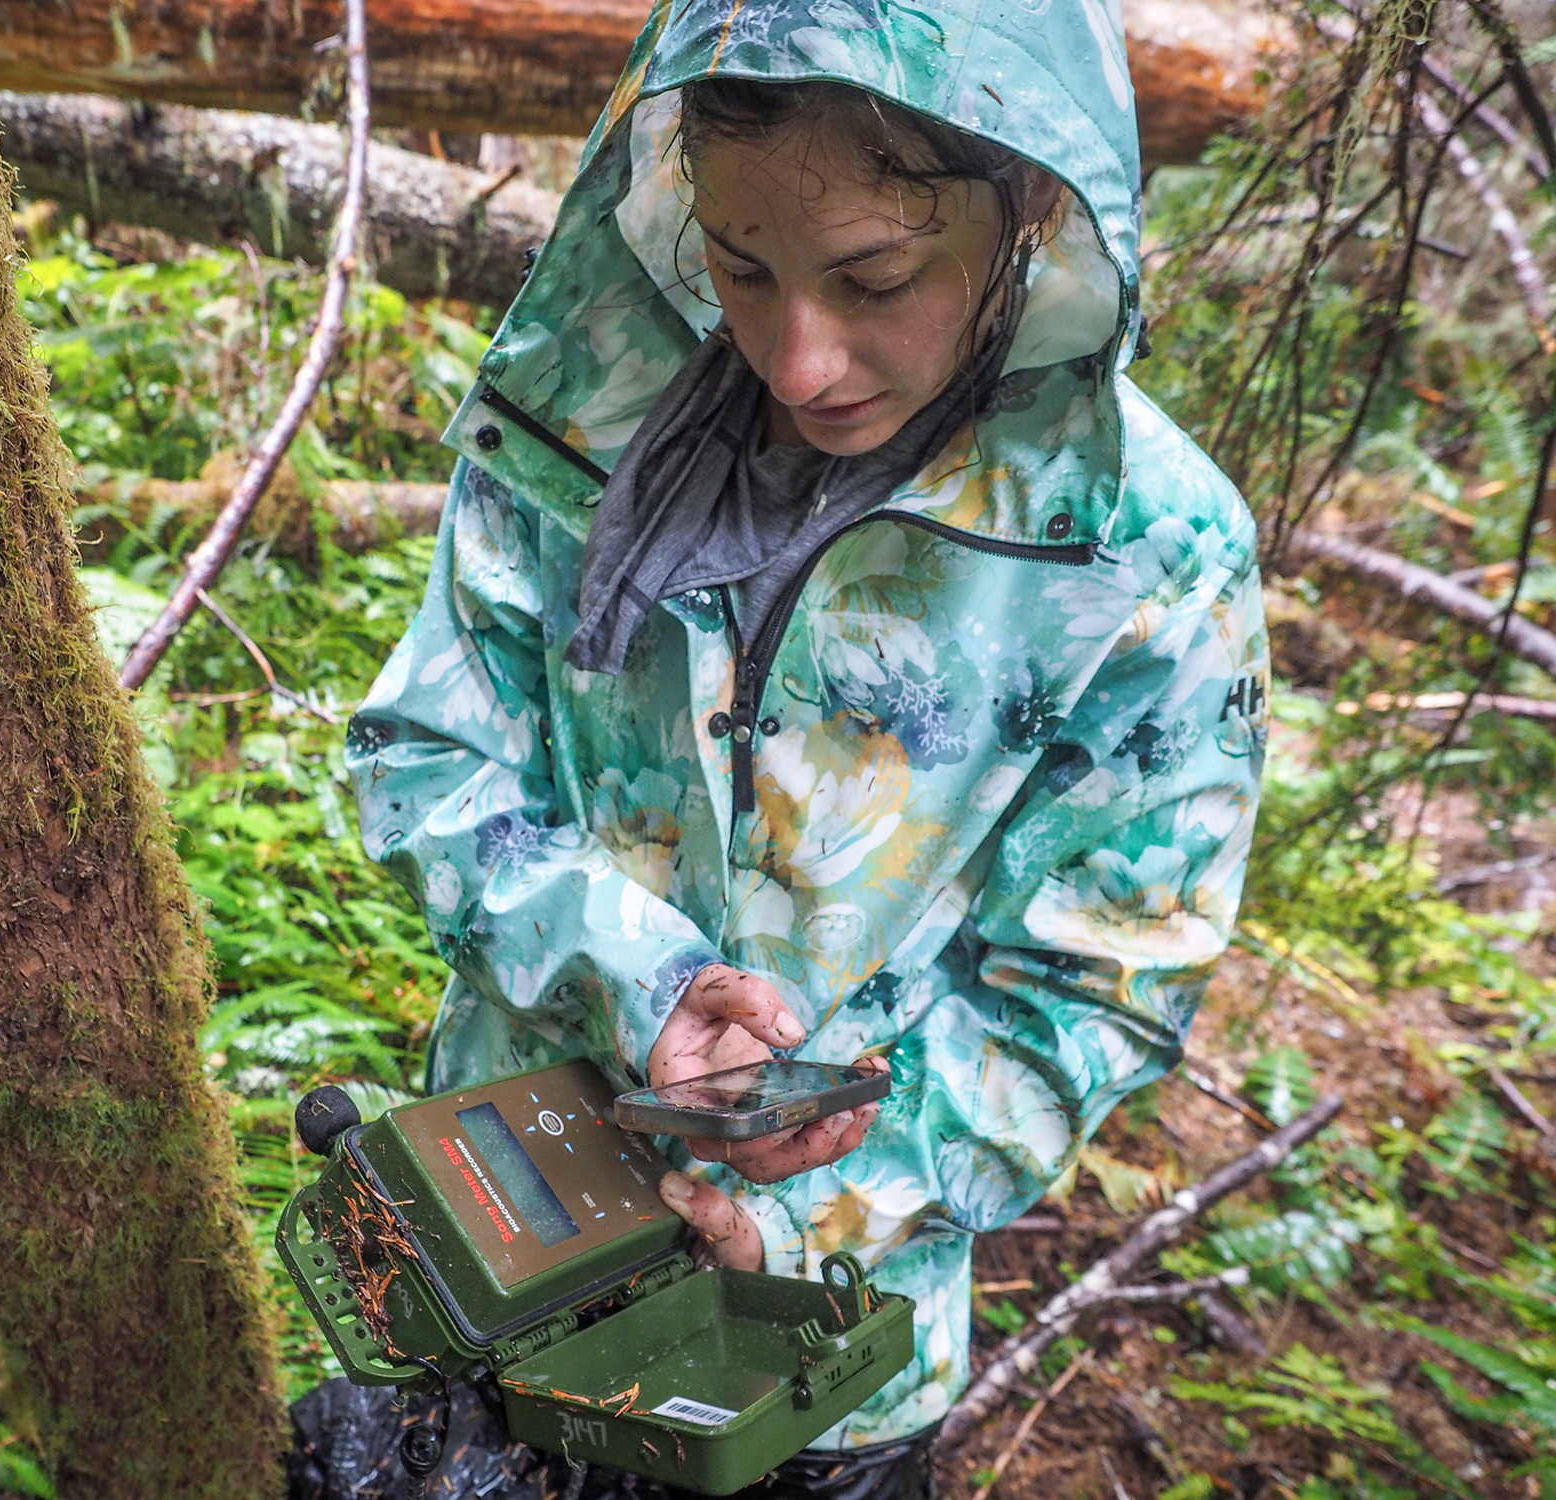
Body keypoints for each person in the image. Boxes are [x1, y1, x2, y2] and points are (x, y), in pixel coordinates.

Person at [342, 0, 1268, 1491]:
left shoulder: (1140, 551)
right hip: (505, 1253)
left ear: (1030, 204)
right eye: (739, 263)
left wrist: (815, 1208)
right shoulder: (582, 430)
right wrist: (637, 983)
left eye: (873, 275)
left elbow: (1100, 984)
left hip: (820, 1362)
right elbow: (424, 755)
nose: (797, 356)